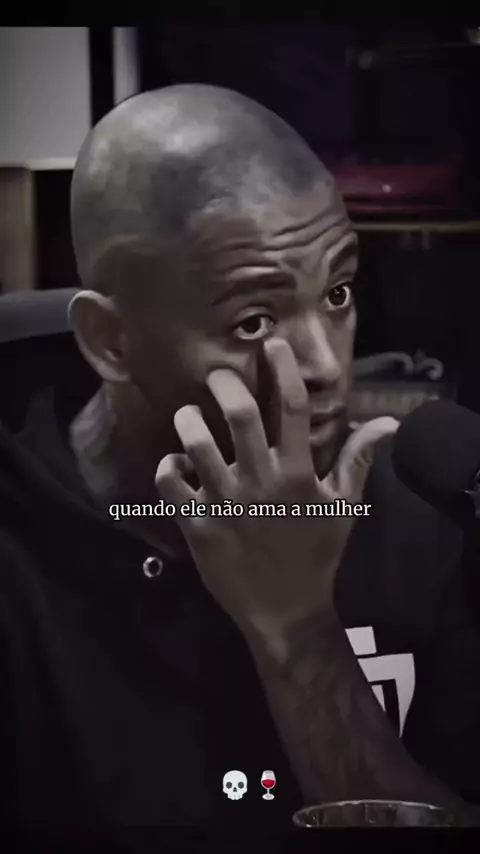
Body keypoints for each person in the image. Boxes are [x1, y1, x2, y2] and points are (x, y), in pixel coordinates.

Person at [1, 85, 479, 833]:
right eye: (253, 321)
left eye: (338, 293)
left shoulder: (422, 507)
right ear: (112, 342)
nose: (325, 366)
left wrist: (298, 629)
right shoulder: (22, 558)